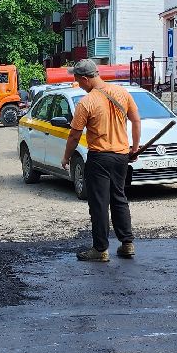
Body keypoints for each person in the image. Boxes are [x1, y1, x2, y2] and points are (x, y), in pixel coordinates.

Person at [61, 60, 141, 262]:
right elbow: (136, 120)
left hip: (99, 158)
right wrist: (134, 148)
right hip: (121, 156)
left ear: (86, 79)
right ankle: (127, 244)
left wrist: (66, 157)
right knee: (119, 198)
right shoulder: (122, 93)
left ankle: (100, 249)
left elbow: (74, 135)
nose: (77, 84)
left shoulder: (86, 102)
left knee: (99, 204)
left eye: (78, 80)